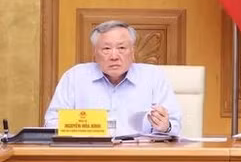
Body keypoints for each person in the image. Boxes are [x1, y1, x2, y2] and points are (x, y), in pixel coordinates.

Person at [44, 20, 182, 136]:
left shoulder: (154, 77)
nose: (114, 56)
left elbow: (175, 126)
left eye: (121, 48)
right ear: (95, 54)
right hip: (88, 155)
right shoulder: (75, 77)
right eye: (106, 49)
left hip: (139, 157)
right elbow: (51, 123)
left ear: (132, 52)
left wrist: (165, 126)